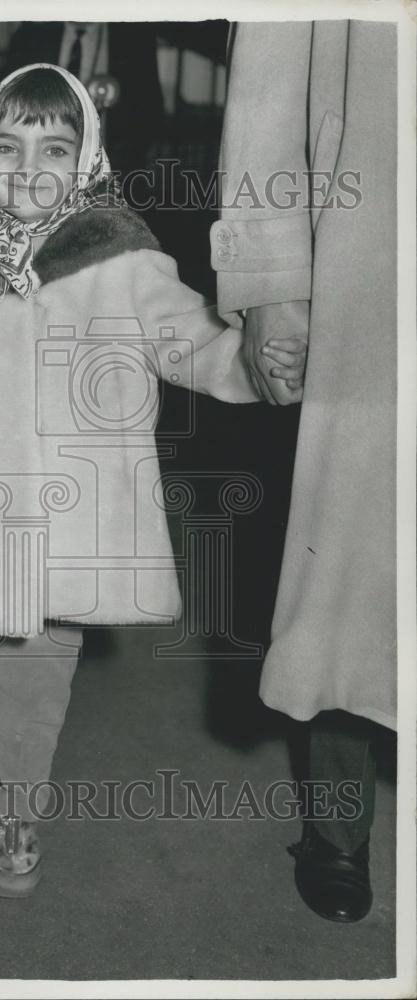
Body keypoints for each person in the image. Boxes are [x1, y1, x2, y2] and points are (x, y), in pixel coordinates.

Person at [0, 64, 306, 947]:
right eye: (6, 147)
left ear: (87, 158)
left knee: (37, 699)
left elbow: (188, 341)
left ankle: (13, 815)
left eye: (54, 148)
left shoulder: (116, 253)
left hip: (64, 545)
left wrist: (249, 363)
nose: (27, 168)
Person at [211, 21, 396, 922]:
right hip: (381, 254)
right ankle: (338, 825)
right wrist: (269, 282)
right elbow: (267, 89)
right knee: (355, 573)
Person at [0, 22, 163, 176]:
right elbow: (3, 108)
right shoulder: (28, 37)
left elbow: (152, 113)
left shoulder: (137, 41)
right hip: (41, 171)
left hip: (115, 174)